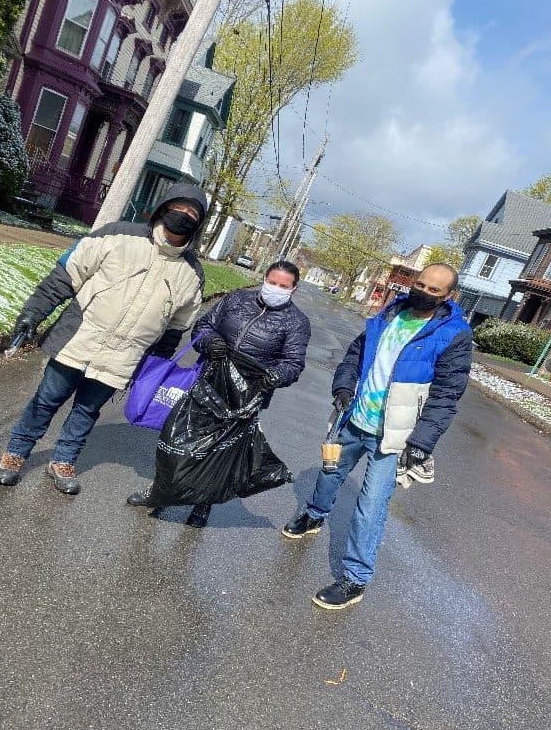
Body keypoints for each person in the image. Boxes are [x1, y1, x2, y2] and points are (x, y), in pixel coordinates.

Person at [0, 184, 209, 495]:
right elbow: (65, 277)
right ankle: (15, 453)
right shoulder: (118, 235)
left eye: (192, 213)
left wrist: (152, 370)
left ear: (198, 223)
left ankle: (64, 460)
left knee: (86, 411)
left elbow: (174, 330)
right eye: (179, 208)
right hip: (78, 340)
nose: (183, 216)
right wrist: (32, 314)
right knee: (46, 400)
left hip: (123, 357)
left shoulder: (192, 273)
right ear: (164, 208)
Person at [282, 264, 472, 610]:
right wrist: (343, 386)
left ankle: (355, 579)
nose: (424, 293)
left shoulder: (453, 334)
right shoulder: (389, 314)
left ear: (449, 296)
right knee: (329, 471)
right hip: (355, 419)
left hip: (394, 437)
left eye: (435, 290)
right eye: (421, 284)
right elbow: (355, 355)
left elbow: (447, 394)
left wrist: (421, 442)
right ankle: (314, 514)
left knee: (370, 507)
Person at [127, 260, 311, 527]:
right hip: (206, 384)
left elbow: (293, 364)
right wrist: (210, 342)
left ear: (294, 290)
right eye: (272, 282)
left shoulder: (297, 323)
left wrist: (276, 376)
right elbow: (203, 326)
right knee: (179, 442)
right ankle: (161, 493)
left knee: (218, 453)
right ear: (264, 278)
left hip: (245, 397)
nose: (275, 288)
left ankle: (203, 505)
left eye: (283, 286)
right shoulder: (237, 300)